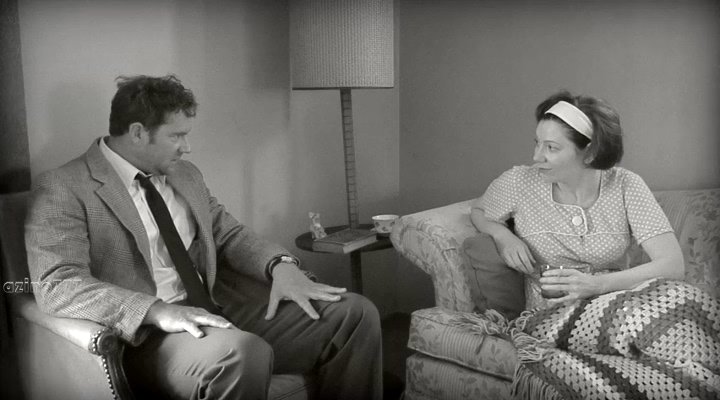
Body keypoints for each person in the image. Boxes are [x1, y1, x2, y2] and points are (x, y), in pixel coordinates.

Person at [25, 74, 382, 399]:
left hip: (214, 307)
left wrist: (281, 266)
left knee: (354, 314)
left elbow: (228, 234)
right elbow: (57, 284)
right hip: (148, 335)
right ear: (137, 133)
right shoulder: (64, 187)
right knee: (243, 354)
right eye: (176, 136)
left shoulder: (185, 174)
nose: (187, 147)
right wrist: (156, 310)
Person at [470, 90, 684, 309]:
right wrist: (502, 236)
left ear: (590, 153)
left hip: (619, 305)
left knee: (684, 301)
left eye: (551, 147)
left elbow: (672, 264)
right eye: (537, 143)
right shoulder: (519, 182)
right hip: (552, 313)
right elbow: (478, 211)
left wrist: (597, 285)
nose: (537, 156)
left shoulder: (625, 185)